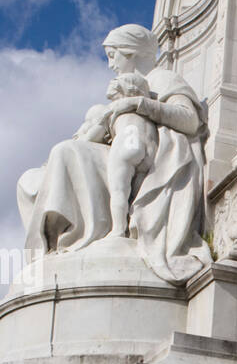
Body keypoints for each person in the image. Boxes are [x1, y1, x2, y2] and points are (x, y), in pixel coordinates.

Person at [18, 24, 211, 284]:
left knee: (65, 152)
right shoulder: (126, 87)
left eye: (112, 55)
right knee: (33, 177)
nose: (110, 65)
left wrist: (138, 104)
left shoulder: (163, 79)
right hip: (122, 151)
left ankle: (94, 235)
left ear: (130, 52)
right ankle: (58, 248)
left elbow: (189, 121)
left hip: (150, 162)